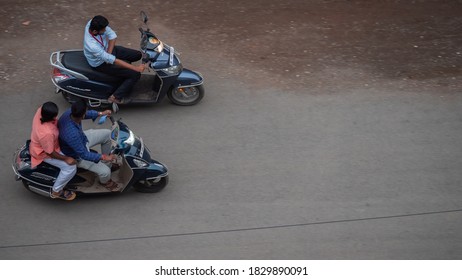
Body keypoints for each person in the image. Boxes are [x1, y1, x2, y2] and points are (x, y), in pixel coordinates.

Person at [58, 99, 118, 191]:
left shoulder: (71, 112)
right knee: (105, 172)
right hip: (77, 154)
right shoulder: (72, 134)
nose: (87, 112)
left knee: (107, 135)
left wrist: (101, 113)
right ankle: (105, 182)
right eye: (86, 111)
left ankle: (107, 164)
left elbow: (87, 114)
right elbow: (84, 154)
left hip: (82, 139)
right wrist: (104, 157)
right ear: (82, 115)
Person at [84, 15, 146, 104]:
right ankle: (115, 97)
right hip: (100, 62)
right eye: (103, 30)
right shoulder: (92, 45)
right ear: (94, 31)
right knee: (135, 74)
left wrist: (109, 52)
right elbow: (113, 60)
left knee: (137, 55)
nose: (105, 30)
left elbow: (112, 36)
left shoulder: (92, 23)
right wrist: (136, 68)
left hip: (107, 51)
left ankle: (124, 76)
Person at [30, 102, 77, 201]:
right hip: (45, 152)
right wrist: (66, 158)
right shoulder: (47, 133)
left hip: (51, 144)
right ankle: (56, 190)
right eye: (55, 115)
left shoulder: (41, 110)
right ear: (51, 117)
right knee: (71, 168)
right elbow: (50, 152)